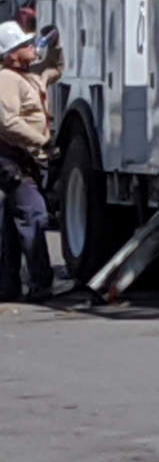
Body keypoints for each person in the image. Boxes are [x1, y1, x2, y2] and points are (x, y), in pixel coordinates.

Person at [0, 20, 73, 301]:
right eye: (24, 45)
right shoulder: (6, 79)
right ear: (10, 54)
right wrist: (42, 141)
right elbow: (7, 122)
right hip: (15, 161)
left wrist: (55, 43)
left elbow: (56, 68)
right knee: (34, 215)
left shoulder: (31, 75)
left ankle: (7, 285)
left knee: (13, 221)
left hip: (27, 161)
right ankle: (42, 284)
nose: (31, 46)